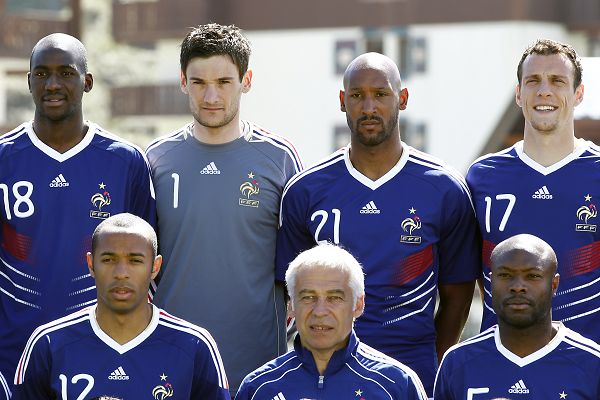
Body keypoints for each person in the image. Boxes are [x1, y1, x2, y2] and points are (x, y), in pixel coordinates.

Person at [275, 52, 479, 395]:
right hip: (323, 374)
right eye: (357, 96)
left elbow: (457, 296)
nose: (369, 107)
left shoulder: (444, 188)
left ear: (402, 98)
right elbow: (288, 293)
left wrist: (432, 360)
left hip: (414, 369)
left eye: (381, 94)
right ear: (343, 101)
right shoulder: (306, 190)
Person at [145, 23, 302, 395]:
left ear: (246, 80)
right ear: (183, 82)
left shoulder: (279, 159)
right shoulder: (156, 159)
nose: (210, 95)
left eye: (224, 82)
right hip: (173, 361)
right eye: (199, 82)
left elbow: (299, 264)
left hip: (259, 362)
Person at [0, 33, 155, 384]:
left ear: (87, 82)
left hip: (100, 349)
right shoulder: (5, 158)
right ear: (28, 82)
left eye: (65, 72)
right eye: (41, 74)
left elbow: (146, 265)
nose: (52, 84)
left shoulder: (125, 161)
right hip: (11, 354)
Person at [466, 39, 600, 341]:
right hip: (502, 360)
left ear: (578, 94)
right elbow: (469, 276)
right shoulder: (483, 176)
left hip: (587, 370)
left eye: (557, 81)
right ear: (518, 93)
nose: (544, 91)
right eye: (533, 81)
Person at [12, 213, 229, 399]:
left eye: (135, 260)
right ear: (91, 264)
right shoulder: (49, 343)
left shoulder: (195, 346)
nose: (121, 272)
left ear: (155, 267)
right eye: (108, 259)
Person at [237, 243, 428, 399]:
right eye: (308, 297)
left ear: (358, 304)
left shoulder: (397, 384)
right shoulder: (258, 387)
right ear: (291, 305)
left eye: (334, 298)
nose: (319, 311)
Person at [434, 234, 600, 399]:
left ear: (554, 284)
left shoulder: (592, 363)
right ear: (491, 282)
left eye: (532, 276)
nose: (518, 286)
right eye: (505, 275)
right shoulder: (457, 362)